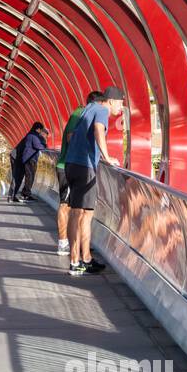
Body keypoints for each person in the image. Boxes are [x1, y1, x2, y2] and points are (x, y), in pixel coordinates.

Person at [64, 86, 125, 277]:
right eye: (121, 104)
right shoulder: (101, 110)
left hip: (72, 163)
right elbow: (99, 129)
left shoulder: (88, 109)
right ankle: (75, 262)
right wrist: (106, 156)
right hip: (85, 166)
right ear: (111, 101)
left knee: (80, 212)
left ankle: (84, 259)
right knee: (81, 214)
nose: (121, 109)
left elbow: (71, 135)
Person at [55, 91, 103, 256]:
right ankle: (63, 243)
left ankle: (82, 249)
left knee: (79, 209)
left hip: (76, 165)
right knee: (66, 205)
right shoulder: (79, 114)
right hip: (69, 165)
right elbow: (70, 137)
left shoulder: (83, 114)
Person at [10, 121, 48, 202]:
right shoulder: (33, 135)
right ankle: (25, 194)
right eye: (41, 130)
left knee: (23, 176)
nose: (41, 132)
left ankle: (19, 194)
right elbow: (38, 146)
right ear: (38, 129)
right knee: (28, 176)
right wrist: (44, 145)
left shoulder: (30, 134)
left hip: (24, 158)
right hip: (29, 159)